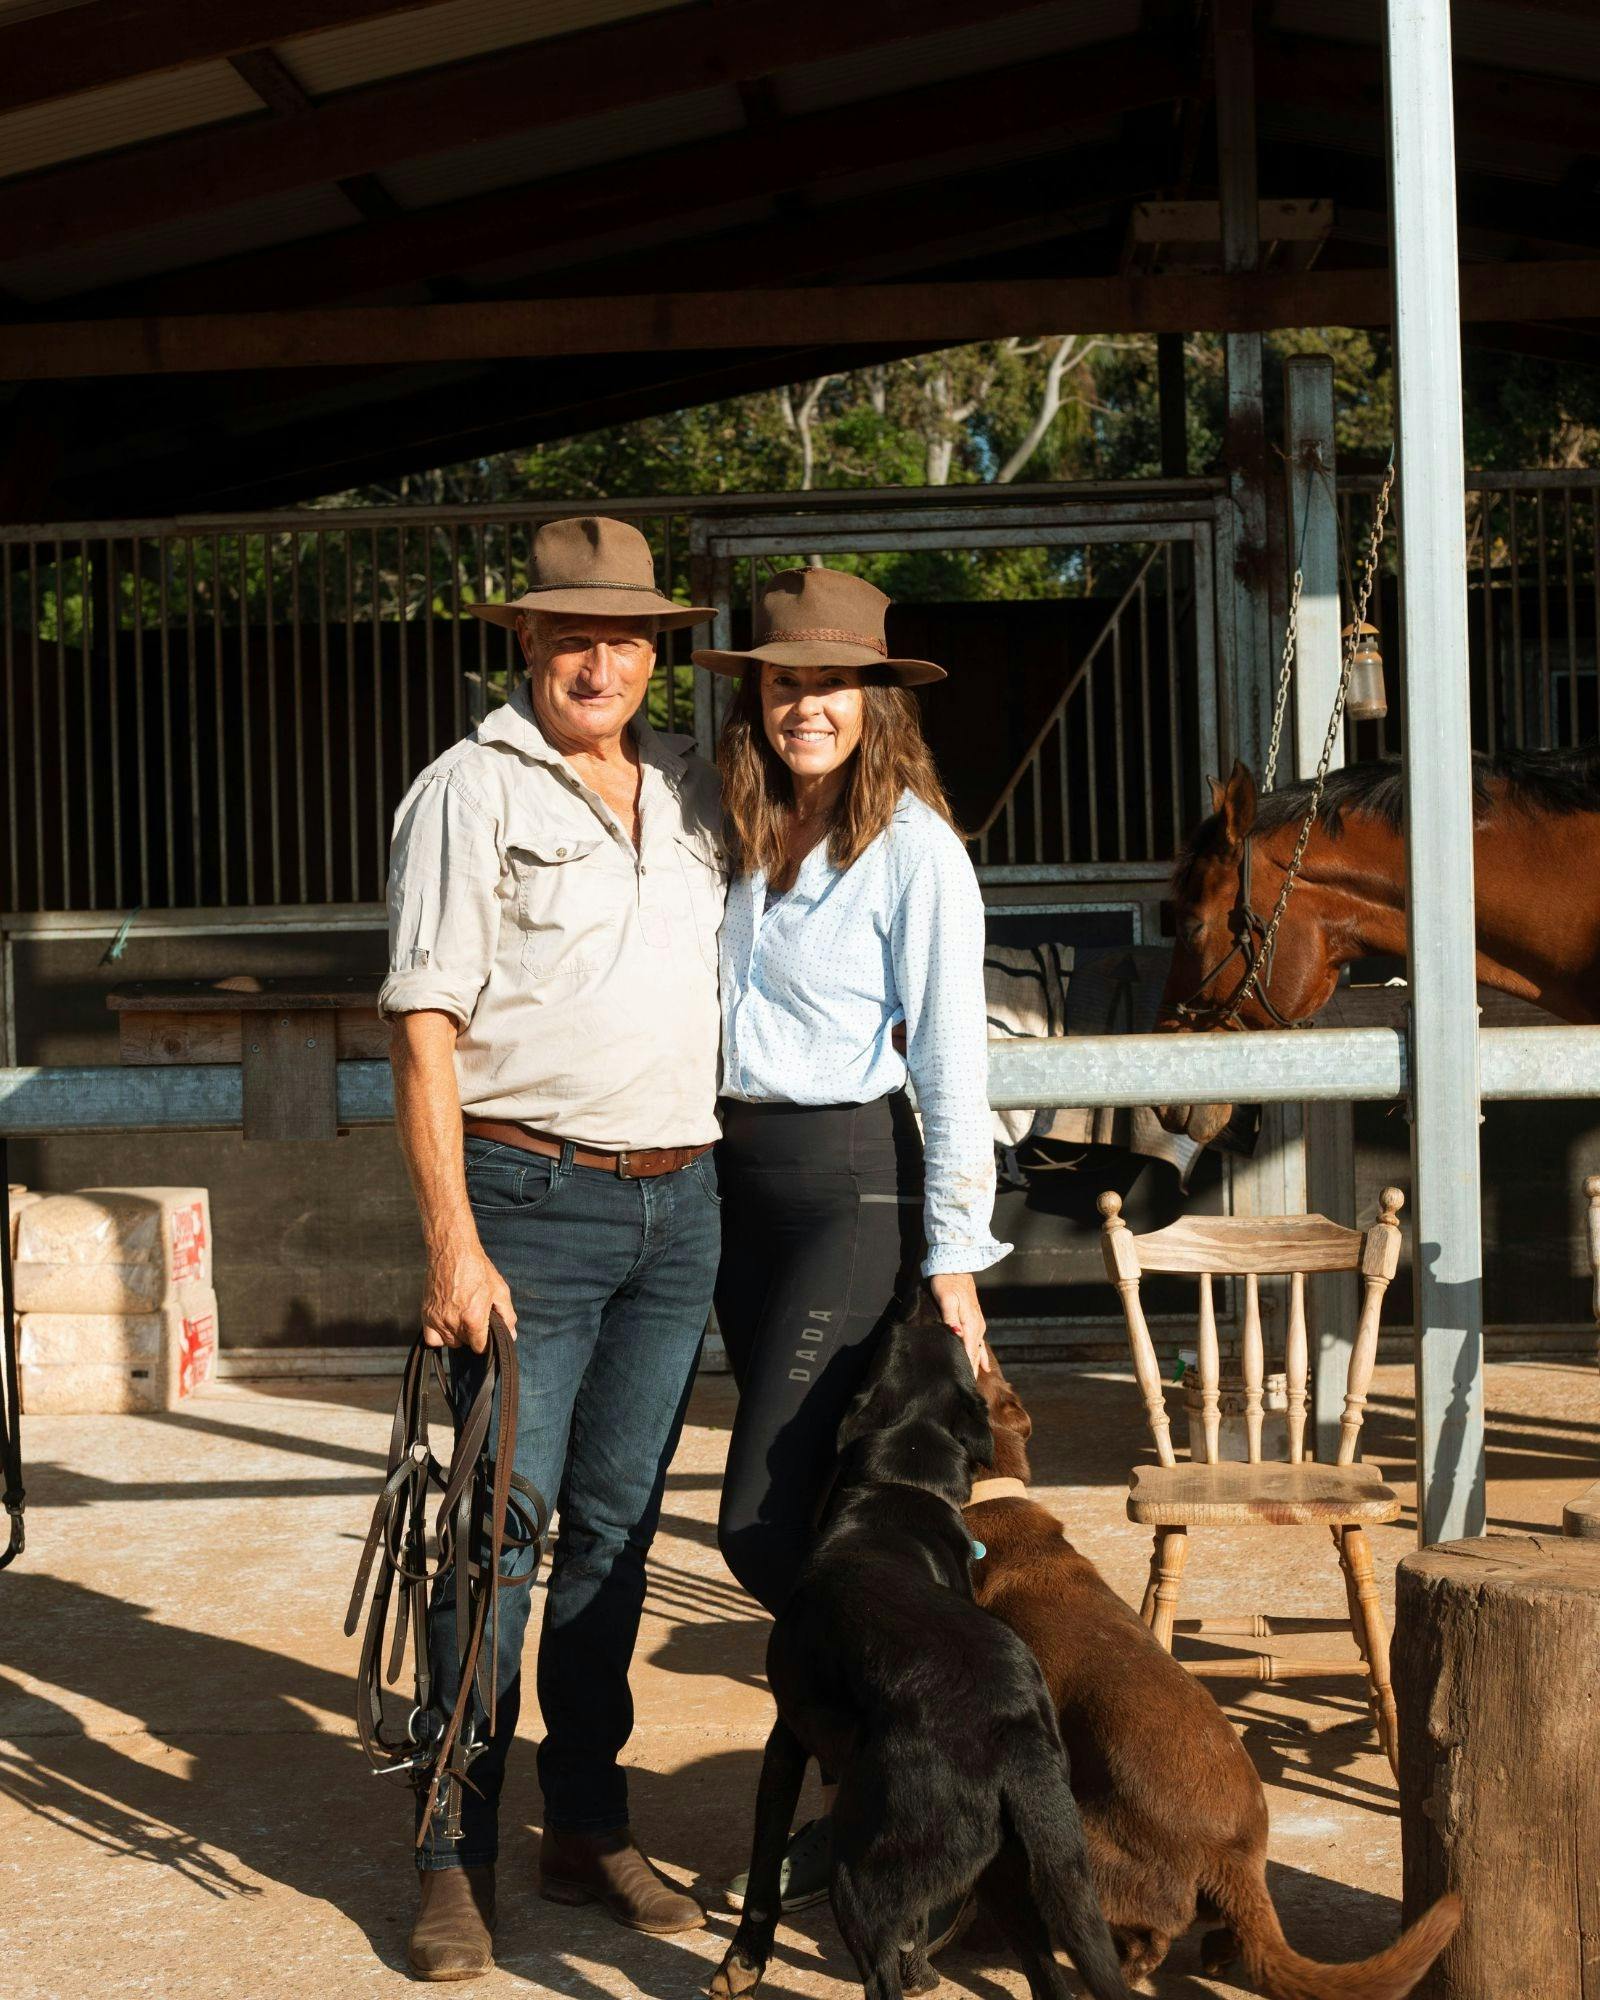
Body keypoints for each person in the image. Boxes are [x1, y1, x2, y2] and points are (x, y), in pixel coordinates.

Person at [378, 516, 725, 1980]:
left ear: (658, 652)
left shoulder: (698, 791)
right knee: (493, 1541)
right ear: (525, 640)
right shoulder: (467, 793)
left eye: (628, 636)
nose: (601, 659)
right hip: (532, 1203)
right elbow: (423, 1028)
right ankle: (452, 1849)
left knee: (620, 1537)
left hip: (679, 1206)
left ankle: (585, 1819)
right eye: (573, 634)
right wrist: (452, 1241)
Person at [693, 566, 1010, 1911]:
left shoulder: (916, 850)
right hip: (732, 1178)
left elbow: (951, 1062)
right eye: (781, 680)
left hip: (848, 1184)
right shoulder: (736, 831)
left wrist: (954, 1255)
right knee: (826, 1518)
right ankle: (885, 1787)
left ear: (875, 700)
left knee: (766, 1526)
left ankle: (946, 1733)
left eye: (828, 681)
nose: (802, 702)